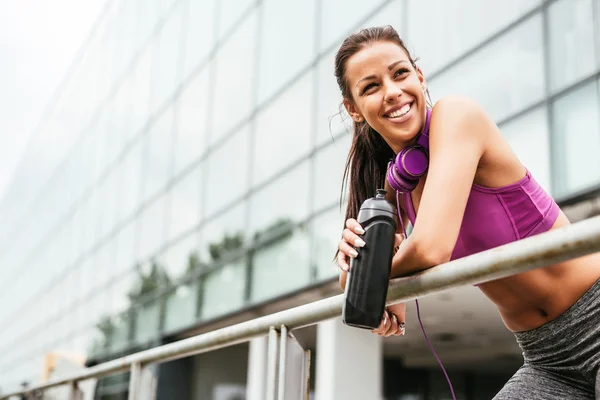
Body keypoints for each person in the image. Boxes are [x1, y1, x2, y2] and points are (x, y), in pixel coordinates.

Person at [334, 25, 600, 399]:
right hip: (545, 358)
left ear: (419, 76)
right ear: (354, 109)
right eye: (371, 87)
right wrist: (353, 268)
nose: (392, 92)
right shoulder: (395, 187)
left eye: (400, 73)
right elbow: (374, 299)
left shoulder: (456, 116)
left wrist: (369, 279)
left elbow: (429, 250)